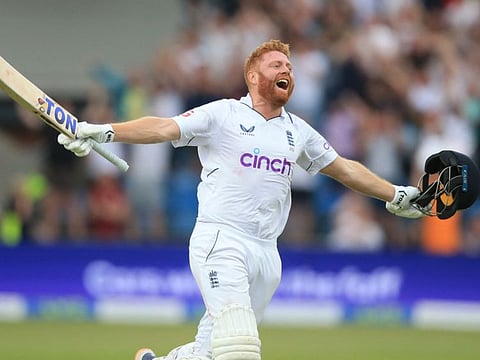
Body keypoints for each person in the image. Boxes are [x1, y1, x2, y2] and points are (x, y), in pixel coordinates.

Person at [58, 40, 425, 360]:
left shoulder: (297, 130)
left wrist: (397, 194)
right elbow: (163, 127)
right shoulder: (224, 113)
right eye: (276, 65)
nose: (287, 71)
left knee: (214, 352)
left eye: (290, 67)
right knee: (240, 347)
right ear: (252, 75)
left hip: (267, 254)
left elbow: (344, 169)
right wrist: (104, 131)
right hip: (222, 240)